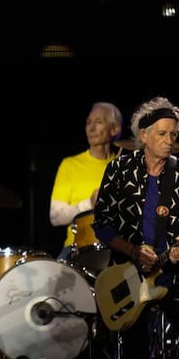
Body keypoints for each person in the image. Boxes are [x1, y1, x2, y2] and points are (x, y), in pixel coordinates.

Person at [92, 96, 179, 359]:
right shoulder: (119, 170)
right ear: (143, 135)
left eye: (173, 134)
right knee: (135, 350)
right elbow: (102, 225)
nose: (169, 140)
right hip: (130, 273)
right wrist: (133, 251)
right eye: (162, 134)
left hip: (174, 273)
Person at [49, 101, 122, 263]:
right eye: (88, 123)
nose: (91, 128)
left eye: (99, 122)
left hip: (118, 248)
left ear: (114, 129)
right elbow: (55, 217)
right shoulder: (70, 165)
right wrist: (89, 203)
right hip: (77, 248)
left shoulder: (122, 167)